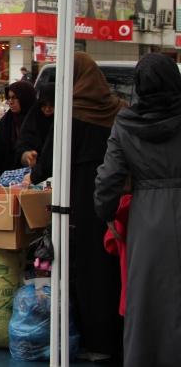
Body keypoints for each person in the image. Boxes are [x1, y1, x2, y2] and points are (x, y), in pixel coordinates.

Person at [29, 52, 124, 361]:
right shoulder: (115, 110)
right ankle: (114, 337)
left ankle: (93, 341)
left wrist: (34, 169)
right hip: (113, 199)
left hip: (79, 199)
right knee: (109, 267)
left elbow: (47, 162)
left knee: (84, 267)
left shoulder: (72, 115)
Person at [95, 53, 181, 367]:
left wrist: (105, 212)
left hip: (148, 219)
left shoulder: (127, 124)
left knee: (146, 302)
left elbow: (109, 178)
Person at [0, 81, 36, 174]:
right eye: (9, 98)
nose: (10, 102)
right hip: (8, 180)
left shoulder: (37, 121)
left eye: (15, 98)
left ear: (25, 98)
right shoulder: (6, 121)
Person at [15, 84, 54, 168]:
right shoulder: (34, 117)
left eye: (52, 105)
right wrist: (27, 156)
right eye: (44, 105)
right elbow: (23, 144)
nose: (47, 109)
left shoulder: (63, 122)